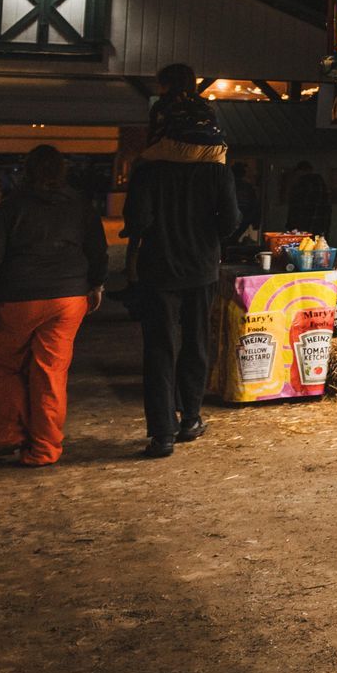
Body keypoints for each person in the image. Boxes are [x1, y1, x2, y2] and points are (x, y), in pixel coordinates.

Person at [0, 145, 108, 467]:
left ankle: (7, 435)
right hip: (67, 298)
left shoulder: (10, 207)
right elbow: (97, 250)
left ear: (27, 171)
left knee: (8, 367)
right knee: (50, 373)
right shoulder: (80, 206)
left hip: (15, 299)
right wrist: (96, 284)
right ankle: (44, 449)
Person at [123, 63, 237, 458]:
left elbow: (138, 220)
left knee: (159, 348)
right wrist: (208, 238)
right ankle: (190, 418)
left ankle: (162, 434)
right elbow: (231, 221)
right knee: (196, 342)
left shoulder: (149, 169)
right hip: (201, 267)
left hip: (159, 269)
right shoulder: (216, 168)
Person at [285, 160, 330, 236]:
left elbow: (298, 207)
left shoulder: (303, 184)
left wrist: (292, 225)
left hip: (304, 226)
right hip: (318, 226)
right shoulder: (320, 184)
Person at [229, 160, 262, 246]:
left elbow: (253, 203)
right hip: (240, 216)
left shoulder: (245, 187)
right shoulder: (243, 186)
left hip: (243, 216)